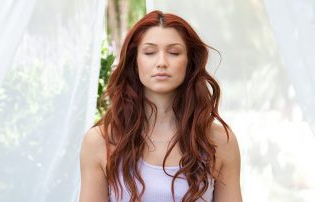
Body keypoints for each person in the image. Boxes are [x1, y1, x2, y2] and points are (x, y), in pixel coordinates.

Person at [79, 10, 242, 202]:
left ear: (190, 62)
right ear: (135, 62)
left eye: (174, 52)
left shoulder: (220, 141)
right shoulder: (100, 141)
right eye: (149, 52)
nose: (162, 62)